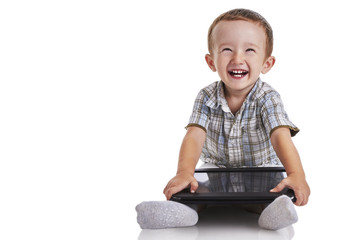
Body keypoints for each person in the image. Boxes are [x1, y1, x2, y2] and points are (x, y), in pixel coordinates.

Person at [136, 8, 310, 231]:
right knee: (195, 191)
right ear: (211, 61)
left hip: (260, 169)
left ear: (267, 63)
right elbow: (195, 135)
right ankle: (182, 212)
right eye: (227, 49)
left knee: (273, 194)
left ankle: (273, 213)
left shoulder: (268, 97)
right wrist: (184, 173)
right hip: (217, 169)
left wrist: (297, 175)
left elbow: (280, 136)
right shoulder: (206, 96)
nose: (238, 58)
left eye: (249, 50)